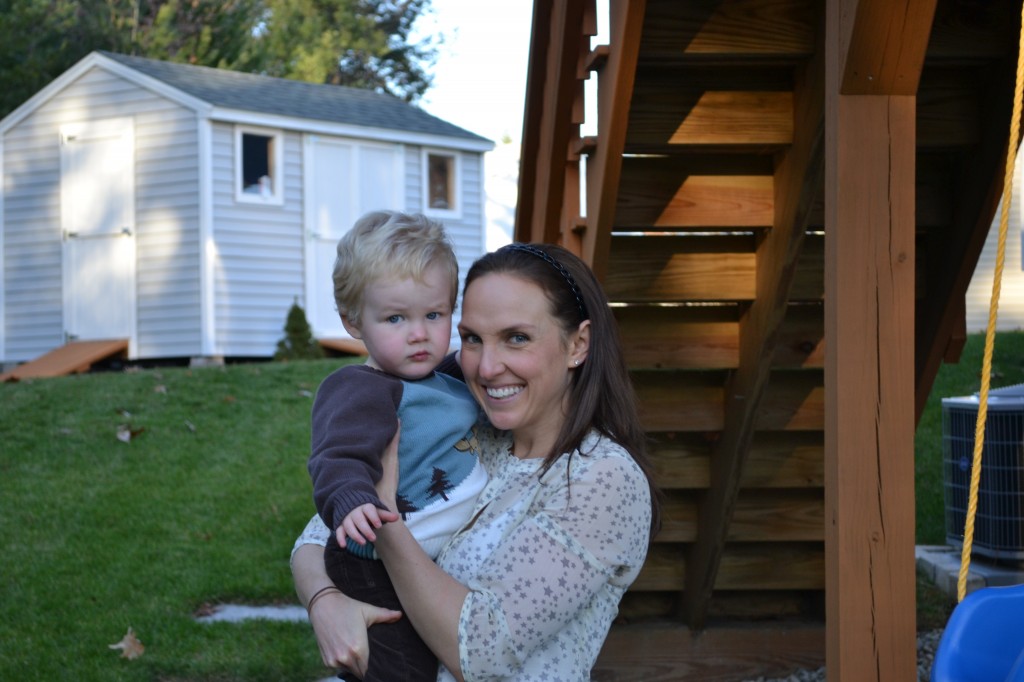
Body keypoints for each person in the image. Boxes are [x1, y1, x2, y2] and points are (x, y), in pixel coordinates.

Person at [292, 242, 662, 681]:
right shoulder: (471, 428)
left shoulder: (600, 478)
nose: (486, 368)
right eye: (471, 339)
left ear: (578, 344)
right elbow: (315, 537)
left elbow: (478, 653)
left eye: (516, 338)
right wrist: (326, 602)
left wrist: (388, 525)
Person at [305, 210, 488, 681]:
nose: (419, 333)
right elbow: (337, 455)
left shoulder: (440, 378)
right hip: (372, 564)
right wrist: (353, 499)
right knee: (403, 670)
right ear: (352, 322)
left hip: (421, 558)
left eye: (434, 314)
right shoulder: (361, 389)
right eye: (394, 318)